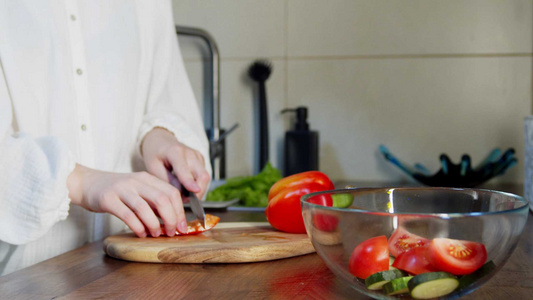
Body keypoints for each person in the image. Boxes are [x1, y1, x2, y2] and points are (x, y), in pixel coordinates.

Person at [0, 1, 211, 275]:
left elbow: (164, 94)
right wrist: (81, 181)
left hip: (133, 269)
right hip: (22, 278)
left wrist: (160, 137)